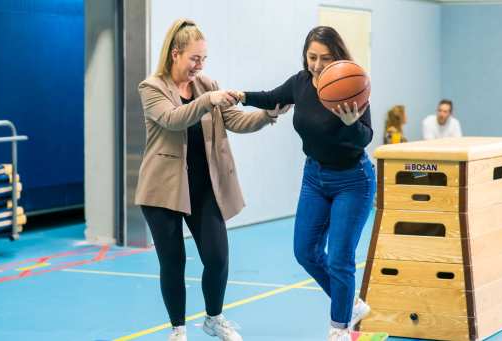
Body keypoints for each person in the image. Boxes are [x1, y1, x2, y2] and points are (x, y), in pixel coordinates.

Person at [135, 19, 289, 341]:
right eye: (195, 58)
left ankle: (213, 318)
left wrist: (268, 114)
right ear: (175, 54)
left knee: (218, 258)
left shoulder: (207, 84)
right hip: (162, 190)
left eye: (203, 59)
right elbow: (172, 120)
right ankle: (178, 329)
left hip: (203, 187)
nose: (200, 66)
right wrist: (209, 100)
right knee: (173, 262)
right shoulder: (152, 88)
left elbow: (236, 121)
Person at [232, 26, 375, 341]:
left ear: (337, 56)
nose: (317, 64)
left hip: (353, 180)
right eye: (312, 57)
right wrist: (240, 96)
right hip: (314, 176)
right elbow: (271, 97)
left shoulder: (350, 83)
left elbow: (365, 137)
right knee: (305, 252)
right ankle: (349, 303)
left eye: (325, 57)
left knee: (339, 258)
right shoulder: (300, 83)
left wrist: (352, 125)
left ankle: (339, 328)